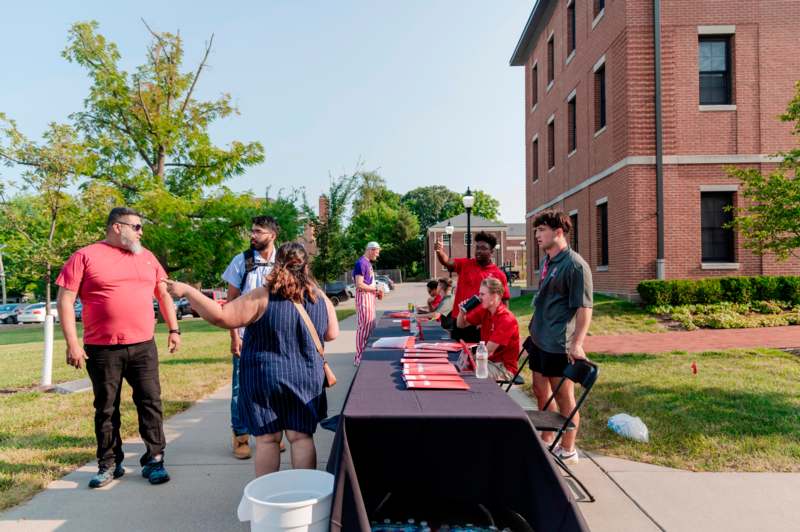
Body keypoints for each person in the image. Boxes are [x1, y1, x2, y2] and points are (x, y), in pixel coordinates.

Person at [166, 242, 339, 477]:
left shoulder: (263, 296)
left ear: (278, 264)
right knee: (301, 437)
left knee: (267, 440)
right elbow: (332, 334)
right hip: (306, 376)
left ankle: (267, 499)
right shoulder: (320, 297)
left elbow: (222, 317)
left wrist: (188, 291)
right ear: (306, 265)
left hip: (264, 377)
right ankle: (305, 495)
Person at [56, 207, 180, 488]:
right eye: (136, 227)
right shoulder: (84, 256)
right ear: (117, 227)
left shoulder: (147, 257)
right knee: (106, 407)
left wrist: (174, 329)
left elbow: (163, 294)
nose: (141, 232)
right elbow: (65, 300)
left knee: (151, 402)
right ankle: (110, 464)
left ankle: (155, 460)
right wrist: (72, 343)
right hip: (102, 349)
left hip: (143, 345)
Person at [529, 210, 593, 465]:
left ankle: (568, 450)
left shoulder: (575, 265)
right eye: (536, 230)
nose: (537, 235)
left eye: (542, 230)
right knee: (539, 391)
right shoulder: (548, 261)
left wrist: (577, 343)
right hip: (538, 341)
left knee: (564, 398)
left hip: (558, 345)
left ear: (559, 232)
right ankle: (547, 439)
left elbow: (585, 307)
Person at [222, 215, 281, 459]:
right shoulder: (242, 261)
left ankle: (271, 434)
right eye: (252, 231)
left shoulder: (284, 261)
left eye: (258, 232)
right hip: (247, 337)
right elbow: (231, 303)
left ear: (272, 236)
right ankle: (241, 436)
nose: (252, 235)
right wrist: (235, 337)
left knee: (274, 386)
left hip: (277, 336)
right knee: (241, 388)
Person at [434, 231, 511, 342]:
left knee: (476, 357)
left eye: (483, 248)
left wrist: (500, 323)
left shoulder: (498, 274)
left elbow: (504, 302)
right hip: (459, 321)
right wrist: (439, 251)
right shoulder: (465, 264)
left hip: (480, 325)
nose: (479, 251)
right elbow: (447, 262)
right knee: (456, 355)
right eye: (477, 247)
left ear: (492, 251)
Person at [456, 277, 520, 381]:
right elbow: (460, 325)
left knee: (465, 375)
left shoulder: (506, 319)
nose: (479, 298)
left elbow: (488, 351)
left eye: (482, 294)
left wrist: (470, 359)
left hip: (503, 368)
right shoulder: (485, 310)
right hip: (487, 361)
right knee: (459, 369)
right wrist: (462, 311)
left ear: (494, 296)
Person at [353, 241, 382, 366]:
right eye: (377, 251)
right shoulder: (361, 263)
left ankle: (367, 355)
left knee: (370, 327)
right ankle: (359, 357)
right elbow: (359, 284)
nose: (378, 254)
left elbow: (368, 283)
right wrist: (375, 289)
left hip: (369, 298)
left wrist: (376, 292)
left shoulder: (367, 263)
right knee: (364, 328)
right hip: (363, 298)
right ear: (371, 249)